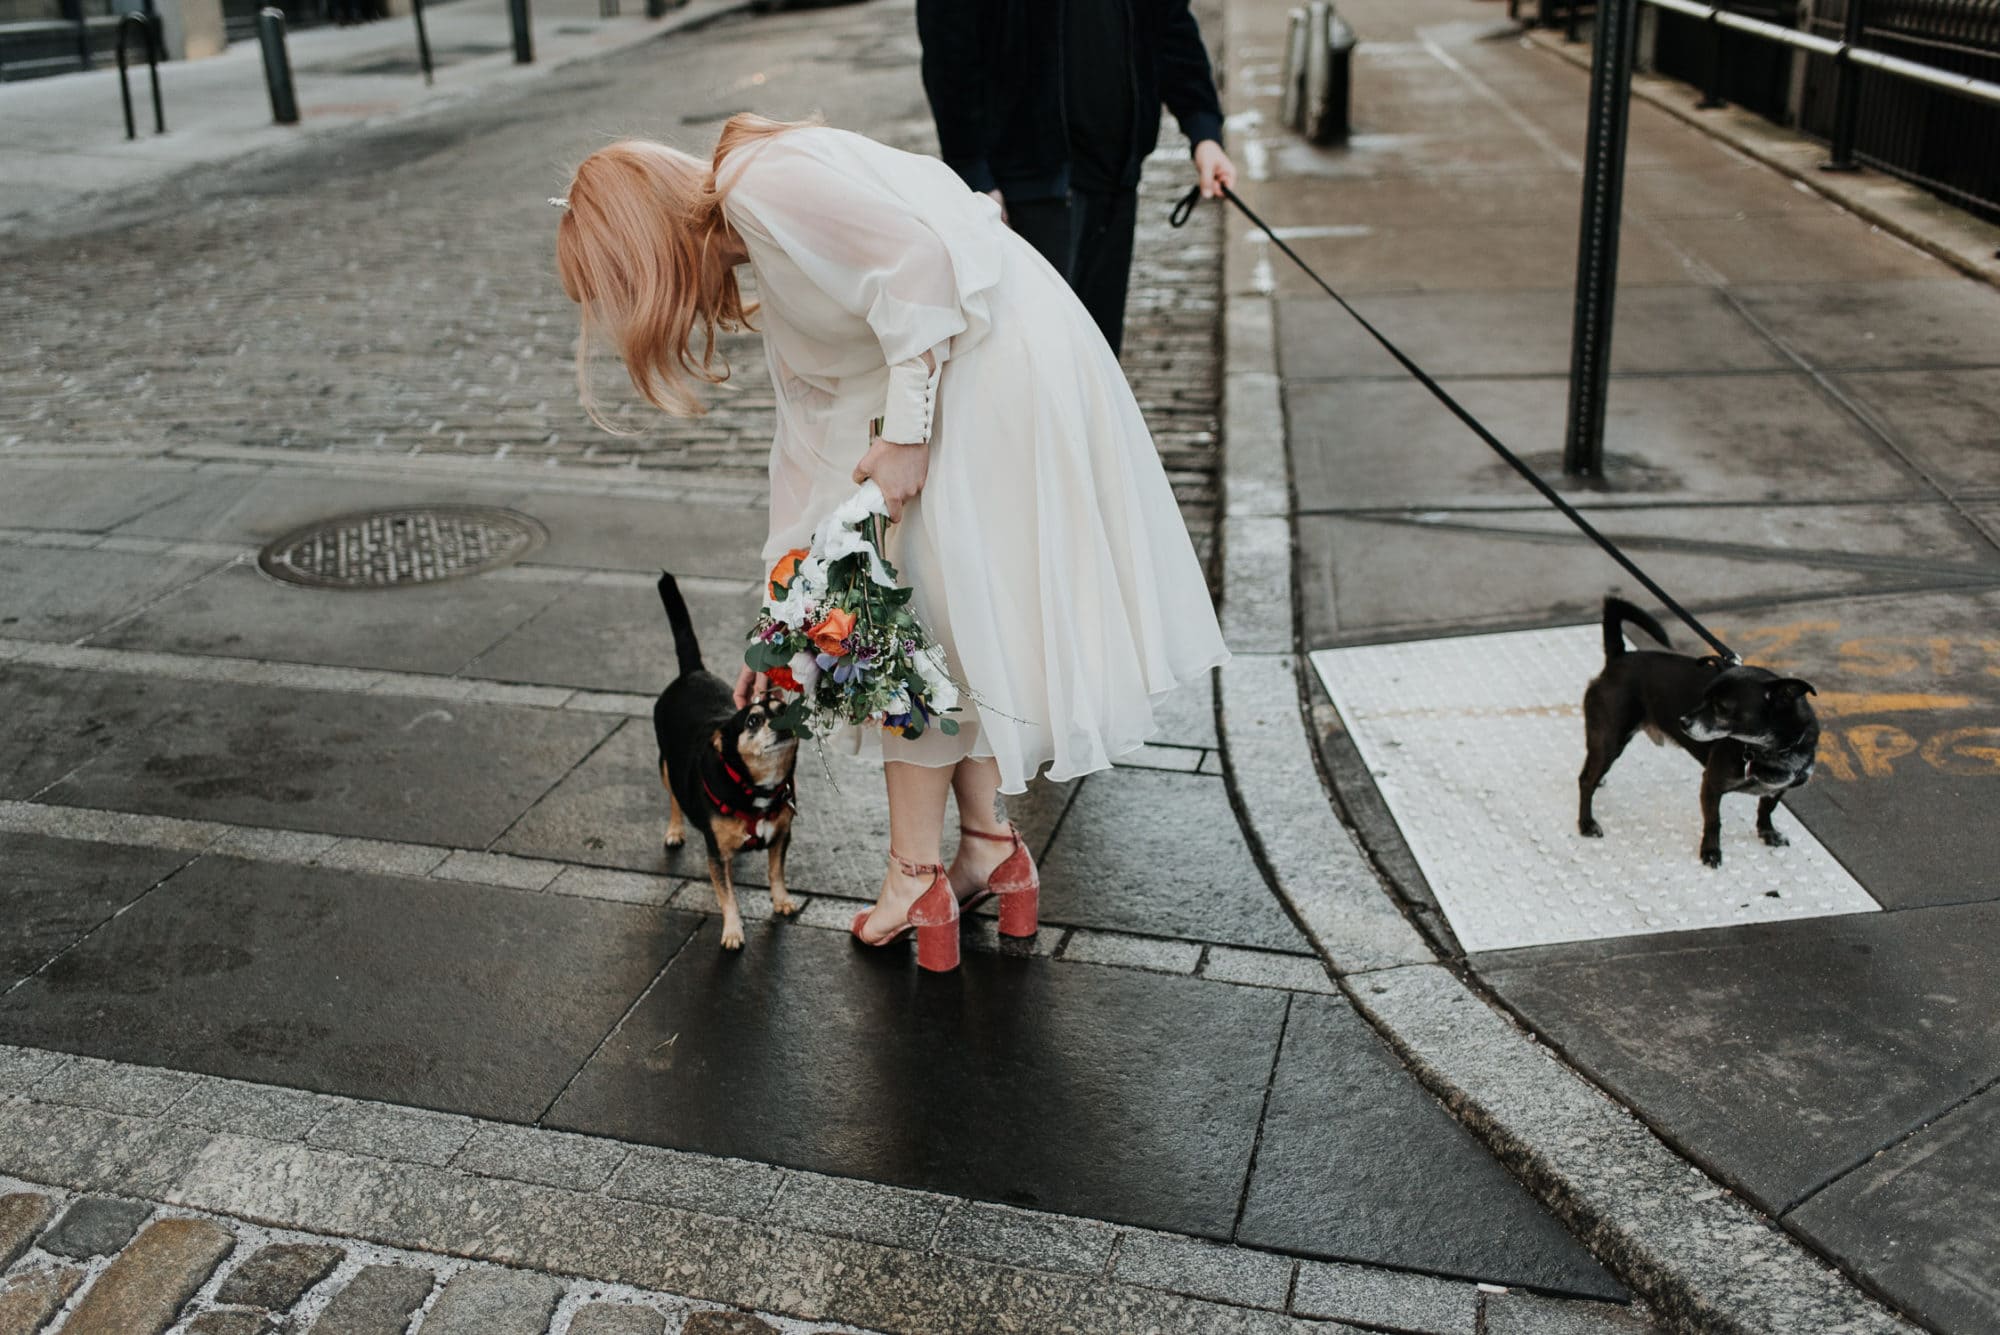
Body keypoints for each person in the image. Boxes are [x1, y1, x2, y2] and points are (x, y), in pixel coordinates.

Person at [553, 116, 1228, 970]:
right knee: (936, 630)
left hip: (991, 363)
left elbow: (922, 264)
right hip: (978, 366)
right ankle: (989, 848)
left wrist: (907, 437)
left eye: (619, 287)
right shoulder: (755, 229)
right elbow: (806, 441)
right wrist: (777, 618)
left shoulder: (759, 182)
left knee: (895, 638)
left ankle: (916, 875)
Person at [917, 0, 1238, 354]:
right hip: (1029, 189)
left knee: (1099, 361)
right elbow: (949, 43)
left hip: (1115, 179)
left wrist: (1203, 130)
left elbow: (1168, 24)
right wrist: (974, 173)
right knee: (1038, 363)